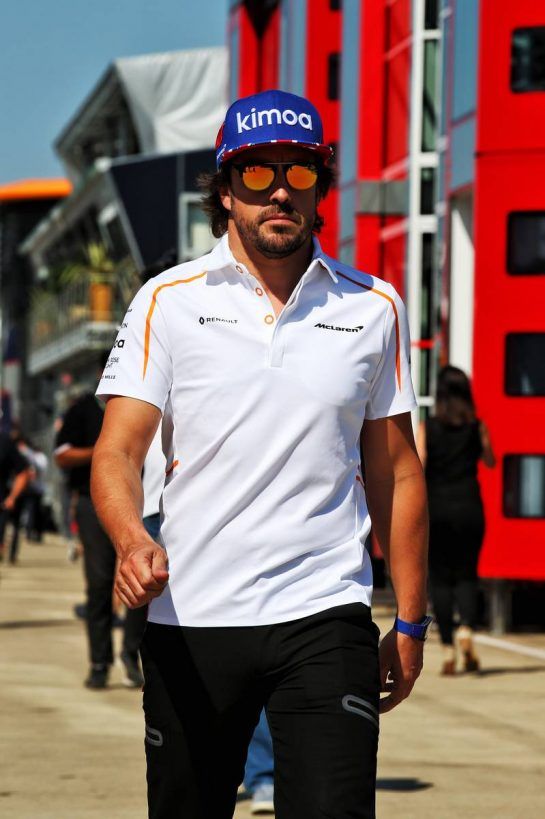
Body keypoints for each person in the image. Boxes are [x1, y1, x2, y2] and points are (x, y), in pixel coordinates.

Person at [91, 89, 430, 819]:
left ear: (319, 187)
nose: (279, 190)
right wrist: (128, 538)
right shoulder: (166, 300)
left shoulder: (373, 306)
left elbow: (395, 471)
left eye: (300, 173)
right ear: (223, 189)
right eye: (256, 174)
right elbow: (117, 449)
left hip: (324, 612)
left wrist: (409, 618)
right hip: (192, 615)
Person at [54, 373, 147, 689]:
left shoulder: (152, 400)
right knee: (100, 584)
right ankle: (99, 662)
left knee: (142, 581)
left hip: (144, 503)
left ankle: (130, 656)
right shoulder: (84, 408)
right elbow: (62, 454)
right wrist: (110, 453)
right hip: (93, 505)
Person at [417, 365, 495, 675]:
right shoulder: (477, 426)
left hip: (437, 509)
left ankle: (448, 649)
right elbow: (490, 460)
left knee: (438, 577)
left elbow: (419, 463)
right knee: (466, 574)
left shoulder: (429, 426)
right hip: (469, 507)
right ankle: (467, 631)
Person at [0, 431, 31, 563]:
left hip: (2, 503)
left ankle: (11, 554)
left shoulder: (4, 443)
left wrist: (12, 497)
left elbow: (23, 472)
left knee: (16, 526)